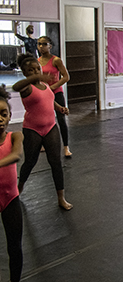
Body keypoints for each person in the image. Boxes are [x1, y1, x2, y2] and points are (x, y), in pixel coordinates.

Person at [13, 54, 72, 211]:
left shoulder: (45, 86)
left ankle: (61, 198)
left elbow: (49, 99)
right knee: (30, 162)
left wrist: (59, 107)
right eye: (31, 70)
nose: (35, 72)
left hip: (50, 127)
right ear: (25, 73)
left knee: (56, 163)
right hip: (33, 129)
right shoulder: (26, 88)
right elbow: (16, 87)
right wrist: (36, 77)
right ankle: (19, 187)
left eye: (37, 68)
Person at [0, 85, 24, 282]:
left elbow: (16, 155)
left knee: (15, 247)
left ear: (9, 115)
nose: (0, 119)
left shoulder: (15, 136)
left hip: (10, 199)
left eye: (3, 113)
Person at [37, 36, 72, 157]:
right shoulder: (37, 61)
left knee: (61, 119)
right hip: (44, 95)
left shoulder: (56, 60)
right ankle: (44, 144)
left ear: (50, 46)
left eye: (44, 44)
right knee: (44, 120)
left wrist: (52, 87)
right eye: (39, 44)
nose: (41, 47)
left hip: (56, 93)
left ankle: (66, 147)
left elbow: (66, 77)